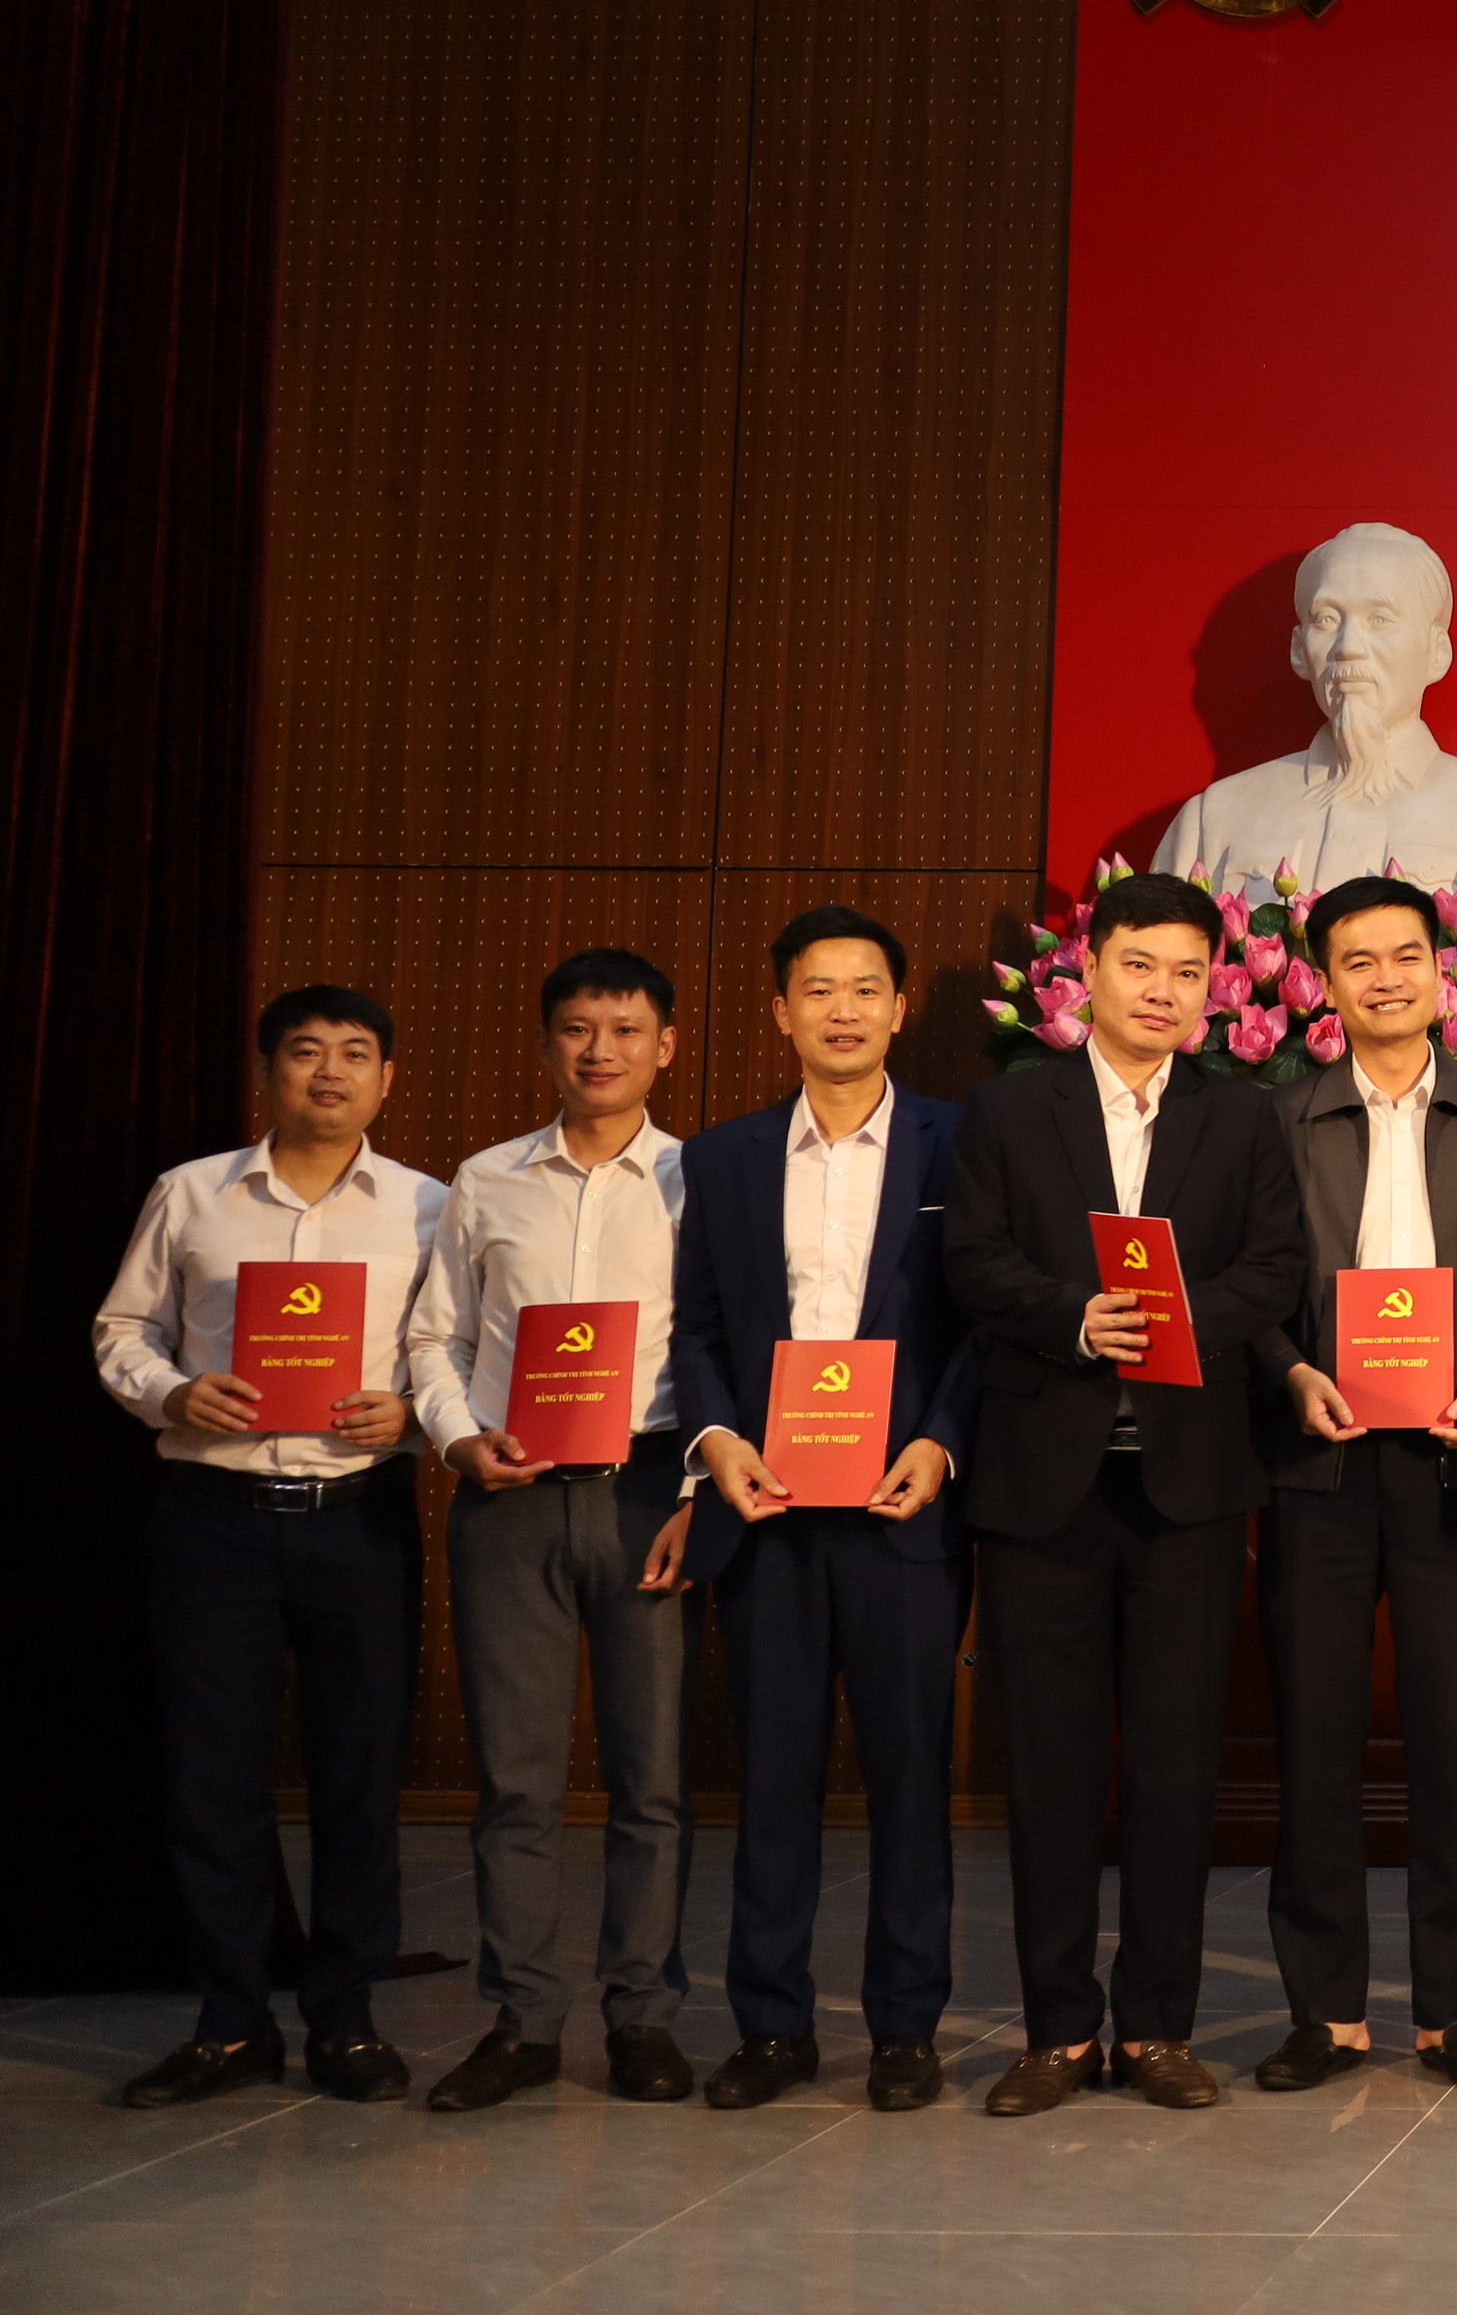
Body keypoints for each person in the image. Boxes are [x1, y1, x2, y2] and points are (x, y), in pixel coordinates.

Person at [945, 870, 1311, 2116]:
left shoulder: (1239, 1118)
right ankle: (1055, 2029)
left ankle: (1156, 2024)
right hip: (1042, 1484)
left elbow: (1274, 1267)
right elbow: (971, 1256)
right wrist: (1073, 1315)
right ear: (1088, 970)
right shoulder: (1009, 1109)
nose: (1162, 991)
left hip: (1188, 1486)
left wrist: (1170, 1317)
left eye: (1186, 972)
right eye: (1139, 965)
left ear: (1213, 989)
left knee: (1173, 1765)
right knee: (1048, 1769)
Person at [94, 987, 444, 2108]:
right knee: (212, 1780)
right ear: (267, 1071)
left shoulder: (433, 1207)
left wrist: (414, 1412)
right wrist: (172, 1391)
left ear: (387, 1079)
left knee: (358, 1777)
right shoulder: (191, 1193)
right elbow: (121, 1328)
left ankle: (345, 2019)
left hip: (360, 1521)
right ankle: (230, 2022)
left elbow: (459, 1350)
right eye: (305, 1051)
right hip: (214, 1524)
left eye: (355, 1053)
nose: (329, 1071)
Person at [669, 906, 977, 2114]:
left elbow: (981, 1320)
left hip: (905, 1506)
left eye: (864, 988)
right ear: (780, 1011)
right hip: (770, 1504)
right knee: (773, 1775)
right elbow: (698, 1323)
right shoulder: (724, 1156)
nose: (842, 1008)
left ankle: (905, 2026)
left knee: (909, 1774)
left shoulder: (961, 1142)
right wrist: (715, 1440)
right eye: (817, 988)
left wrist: (941, 1441)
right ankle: (770, 2025)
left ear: (899, 1008)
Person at [1249, 875, 1457, 2096]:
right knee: (1313, 1736)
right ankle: (1323, 2011)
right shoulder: (1274, 1121)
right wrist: (1289, 1367)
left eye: (1404, 954)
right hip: (1315, 1459)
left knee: (1451, 1737)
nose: (1384, 978)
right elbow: (1243, 1279)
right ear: (1321, 980)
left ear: (1442, 966)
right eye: (1356, 960)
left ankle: (1450, 2010)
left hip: (1452, 1461)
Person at [404, 948, 698, 2112]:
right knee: (517, 1780)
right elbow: (436, 1337)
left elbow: (720, 1345)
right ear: (546, 1044)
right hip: (510, 1497)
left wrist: (696, 1489)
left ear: (665, 1045)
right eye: (578, 1028)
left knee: (651, 1779)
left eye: (625, 1029)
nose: (600, 1049)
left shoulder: (697, 1179)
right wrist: (455, 1437)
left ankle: (642, 2016)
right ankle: (523, 2019)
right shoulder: (486, 1178)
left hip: (646, 1493)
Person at [1153, 522, 1457, 903]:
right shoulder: (1211, 823)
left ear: (1437, 652)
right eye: (1326, 619)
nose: (1349, 646)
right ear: (1299, 651)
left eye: (1379, 619)